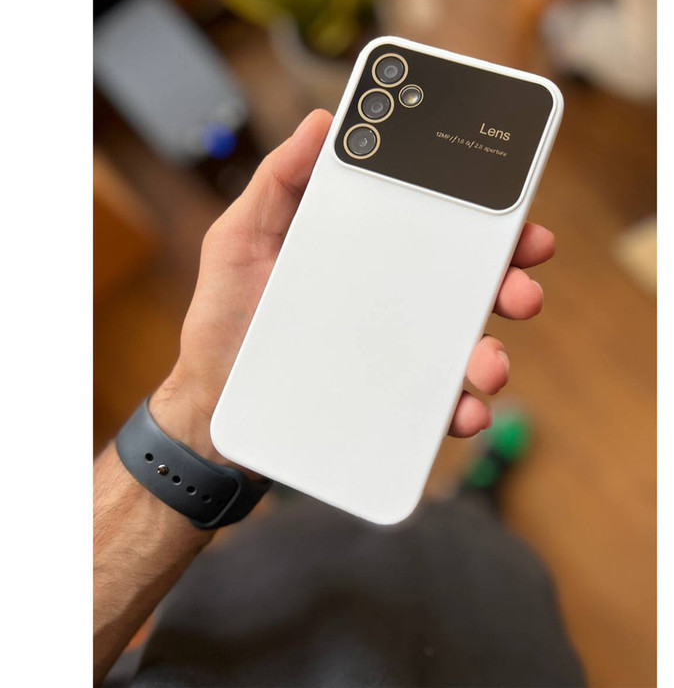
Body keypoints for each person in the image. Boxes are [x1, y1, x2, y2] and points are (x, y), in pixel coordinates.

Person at [94, 110, 585, 687]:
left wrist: (197, 420)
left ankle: (286, 481)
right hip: (476, 642)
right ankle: (476, 495)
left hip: (254, 601)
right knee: (464, 545)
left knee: (305, 515)